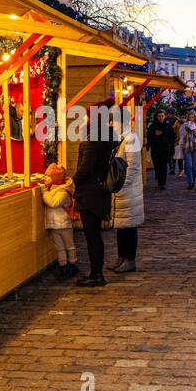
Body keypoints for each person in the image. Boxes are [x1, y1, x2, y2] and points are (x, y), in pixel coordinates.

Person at [72, 100, 118, 286]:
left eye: (86, 115)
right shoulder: (106, 135)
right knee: (94, 235)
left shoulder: (94, 137)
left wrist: (72, 181)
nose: (83, 118)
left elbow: (86, 167)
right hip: (99, 192)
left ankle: (96, 274)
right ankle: (95, 272)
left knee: (92, 235)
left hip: (90, 193)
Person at [110, 108, 145, 272]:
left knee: (129, 227)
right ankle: (121, 256)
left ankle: (130, 259)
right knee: (121, 226)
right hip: (122, 192)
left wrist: (122, 185)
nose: (111, 124)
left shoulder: (131, 139)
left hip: (128, 192)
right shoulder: (124, 139)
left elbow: (133, 167)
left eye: (113, 121)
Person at [41, 163, 78, 279]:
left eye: (48, 176)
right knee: (59, 247)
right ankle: (63, 266)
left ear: (55, 178)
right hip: (55, 223)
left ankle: (72, 265)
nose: (45, 178)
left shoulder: (63, 192)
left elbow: (53, 203)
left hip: (64, 223)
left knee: (69, 245)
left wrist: (44, 192)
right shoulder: (54, 188)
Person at [146, 109, 175, 189]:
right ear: (156, 117)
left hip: (165, 150)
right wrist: (155, 135)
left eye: (162, 116)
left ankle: (162, 183)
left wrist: (170, 147)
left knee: (164, 166)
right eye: (159, 116)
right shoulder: (152, 126)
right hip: (155, 150)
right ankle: (159, 181)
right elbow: (149, 137)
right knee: (157, 166)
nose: (161, 118)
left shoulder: (168, 126)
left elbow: (172, 138)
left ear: (165, 116)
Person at [179, 109, 196, 189]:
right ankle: (190, 182)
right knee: (189, 165)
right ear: (187, 117)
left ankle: (193, 181)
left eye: (193, 117)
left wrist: (194, 129)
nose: (191, 119)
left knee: (194, 166)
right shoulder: (184, 125)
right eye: (190, 117)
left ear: (195, 118)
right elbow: (181, 136)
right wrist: (186, 130)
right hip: (186, 146)